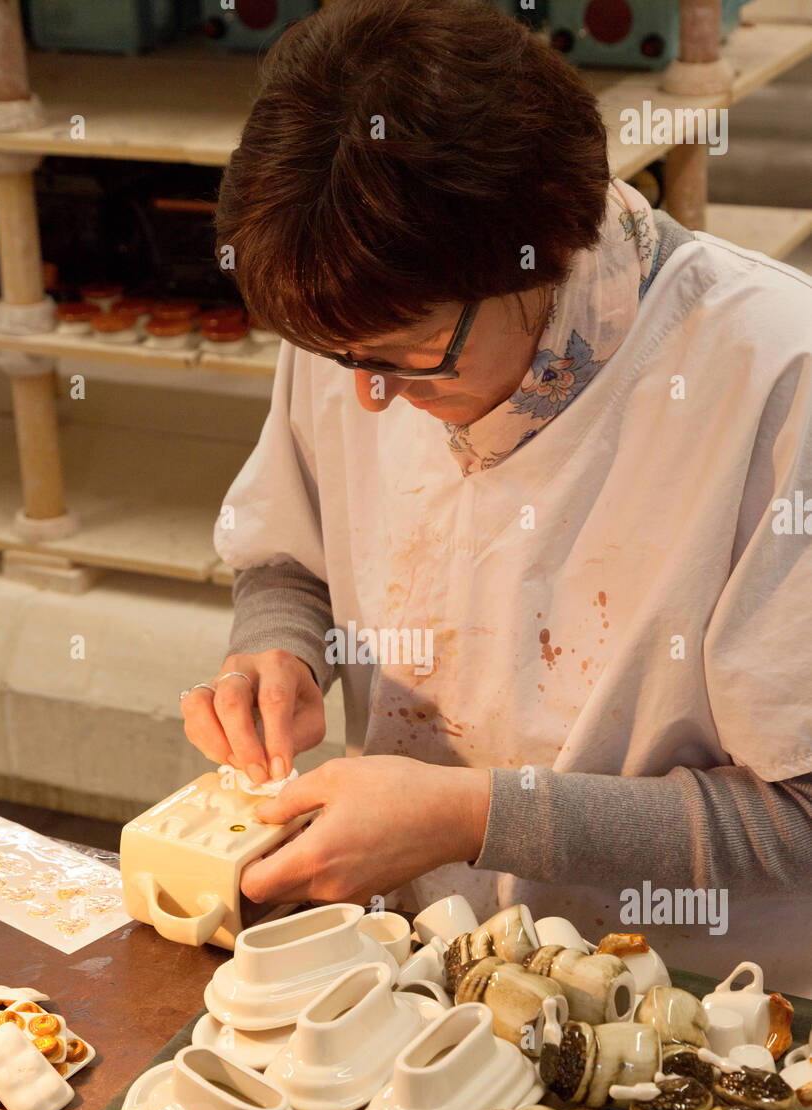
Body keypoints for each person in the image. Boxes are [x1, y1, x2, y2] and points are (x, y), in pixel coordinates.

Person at [180, 0, 812, 991]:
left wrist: (472, 817)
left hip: (686, 1005)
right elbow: (286, 555)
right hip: (415, 964)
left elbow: (801, 817)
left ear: (542, 254)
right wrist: (278, 648)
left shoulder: (774, 382)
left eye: (407, 356)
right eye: (339, 356)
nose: (367, 396)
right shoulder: (362, 323)